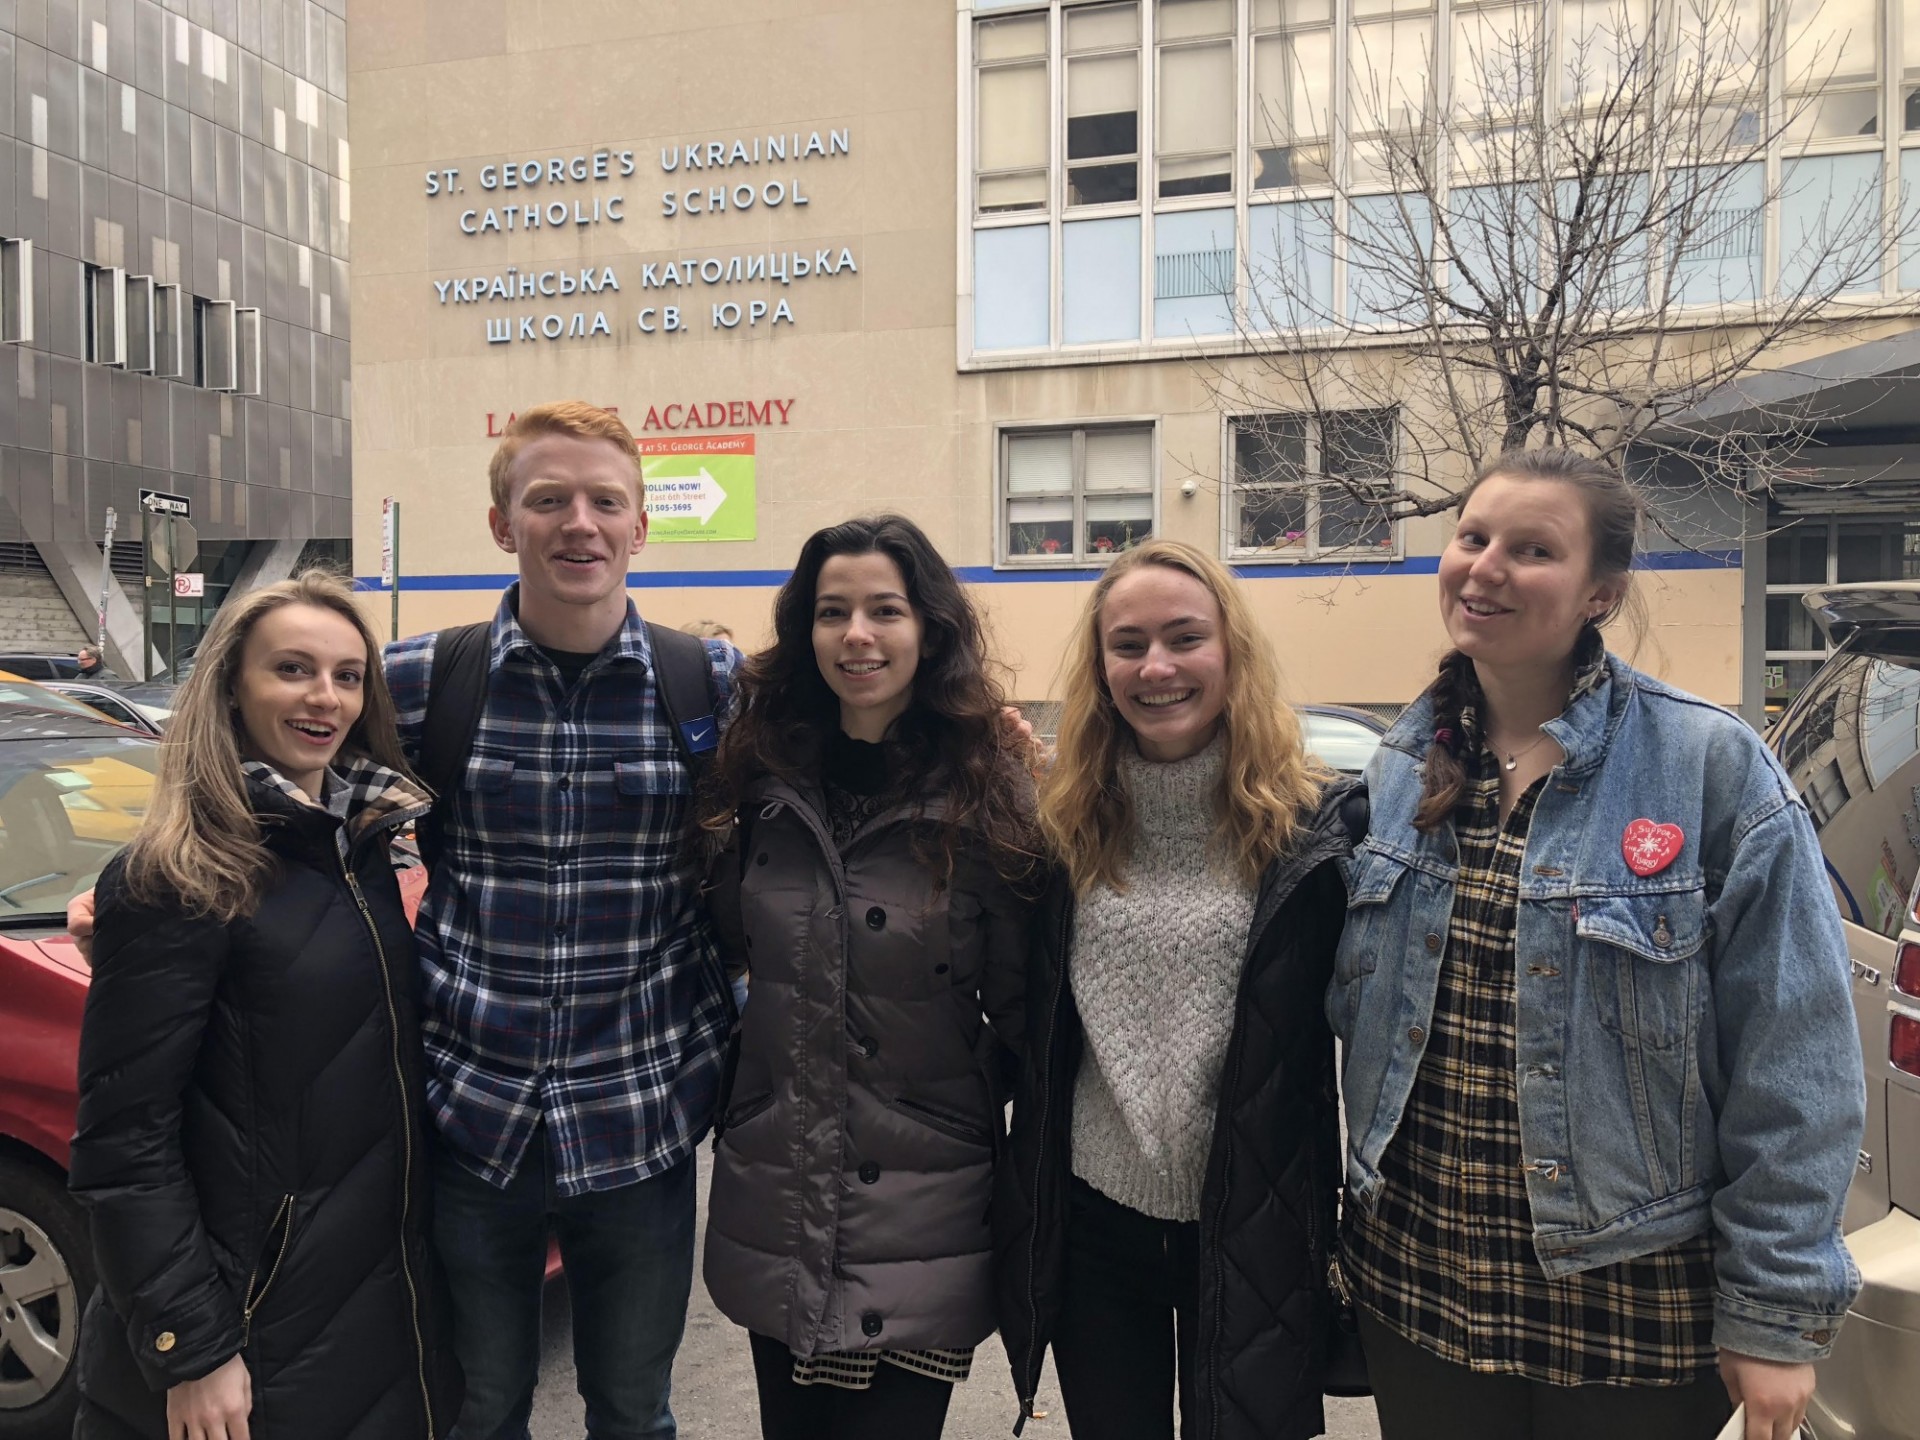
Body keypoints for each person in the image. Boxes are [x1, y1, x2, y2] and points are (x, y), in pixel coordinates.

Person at [1331, 449, 1866, 1440]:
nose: (1486, 567)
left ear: (1600, 595)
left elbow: (1796, 1064)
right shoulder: (1406, 765)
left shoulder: (1707, 767)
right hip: (1420, 1293)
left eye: (1532, 550)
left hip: (1630, 1320)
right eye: (1474, 538)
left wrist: (1776, 1315)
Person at [379, 401, 739, 1440]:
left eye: (604, 501)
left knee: (633, 1410)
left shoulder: (707, 687)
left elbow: (809, 829)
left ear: (639, 528)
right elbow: (274, 787)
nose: (578, 522)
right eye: (548, 500)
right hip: (472, 1119)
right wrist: (152, 891)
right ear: (504, 524)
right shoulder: (421, 681)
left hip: (642, 1119)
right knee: (479, 1409)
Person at [68, 570, 462, 1440]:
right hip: (246, 1335)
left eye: (348, 675)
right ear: (232, 688)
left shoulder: (356, 851)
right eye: (292, 669)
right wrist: (191, 1351)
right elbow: (124, 1144)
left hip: (371, 1315)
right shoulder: (174, 875)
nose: (325, 697)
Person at [995, 539, 1362, 1440]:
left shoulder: (1317, 827)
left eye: (1184, 637)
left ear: (1231, 650)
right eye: (1128, 644)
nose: (1156, 666)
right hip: (1092, 1222)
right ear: (1101, 667)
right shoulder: (1059, 827)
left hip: (1254, 1221)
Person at [697, 515, 1038, 1440]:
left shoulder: (991, 794)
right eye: (831, 611)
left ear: (928, 628)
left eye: (885, 610)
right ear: (803, 632)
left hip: (923, 1207)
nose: (858, 635)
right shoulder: (756, 781)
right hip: (776, 1189)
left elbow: (1023, 1013)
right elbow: (727, 948)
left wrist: (950, 1106)